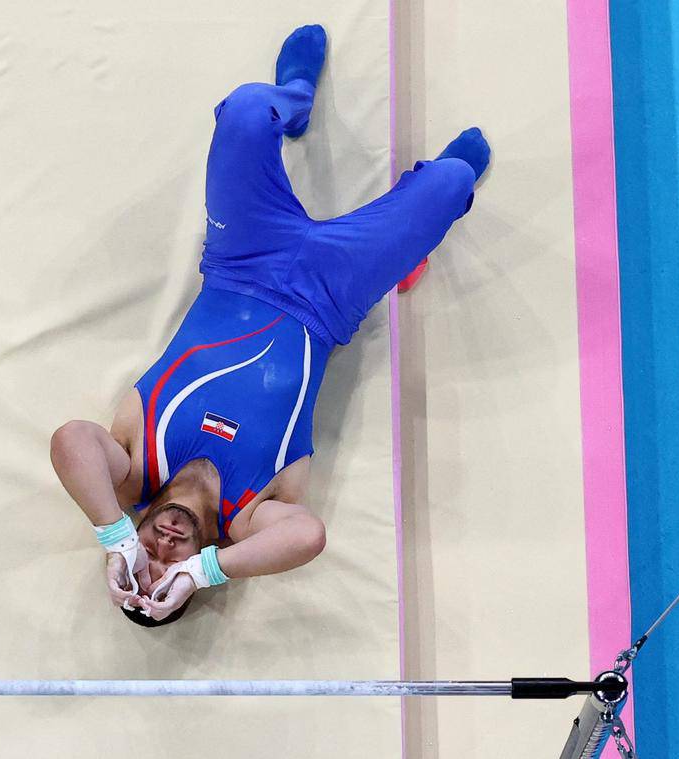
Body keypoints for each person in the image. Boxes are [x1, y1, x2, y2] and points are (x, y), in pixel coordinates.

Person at [50, 24, 489, 625]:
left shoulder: (133, 471)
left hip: (239, 261)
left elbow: (71, 439)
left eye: (142, 557)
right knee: (452, 180)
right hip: (330, 295)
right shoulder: (249, 516)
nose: (161, 547)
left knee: (249, 110)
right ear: (200, 561)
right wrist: (205, 574)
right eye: (168, 569)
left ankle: (297, 96)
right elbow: (307, 537)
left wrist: (112, 538)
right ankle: (403, 248)